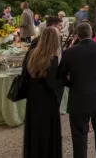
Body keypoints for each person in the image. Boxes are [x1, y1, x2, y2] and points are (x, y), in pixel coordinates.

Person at [58, 22, 96, 158]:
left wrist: (72, 82)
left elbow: (61, 75)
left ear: (77, 35)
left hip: (78, 97)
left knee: (79, 134)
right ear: (91, 33)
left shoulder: (69, 52)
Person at [23, 26, 66, 158]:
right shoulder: (52, 58)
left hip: (33, 95)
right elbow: (52, 83)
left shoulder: (32, 53)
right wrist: (65, 80)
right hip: (47, 97)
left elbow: (24, 74)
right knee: (48, 128)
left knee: (34, 127)